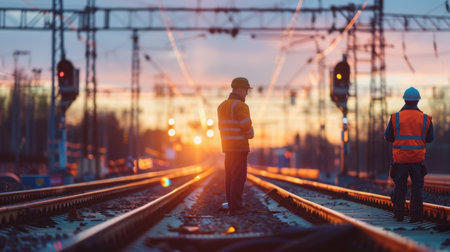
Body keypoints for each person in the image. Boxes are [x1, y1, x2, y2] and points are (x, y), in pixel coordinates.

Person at [384, 87, 434, 222]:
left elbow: (388, 137)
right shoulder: (425, 118)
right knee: (417, 187)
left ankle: (399, 214)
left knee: (400, 186)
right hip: (417, 159)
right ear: (418, 101)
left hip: (400, 158)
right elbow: (430, 138)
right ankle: (416, 215)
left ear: (404, 100)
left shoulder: (396, 118)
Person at [217, 77, 254, 214]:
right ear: (239, 89)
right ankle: (236, 206)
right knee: (239, 177)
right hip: (239, 146)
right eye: (245, 90)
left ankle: (232, 204)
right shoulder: (241, 106)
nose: (246, 93)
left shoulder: (222, 106)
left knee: (230, 177)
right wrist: (251, 133)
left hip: (227, 147)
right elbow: (246, 126)